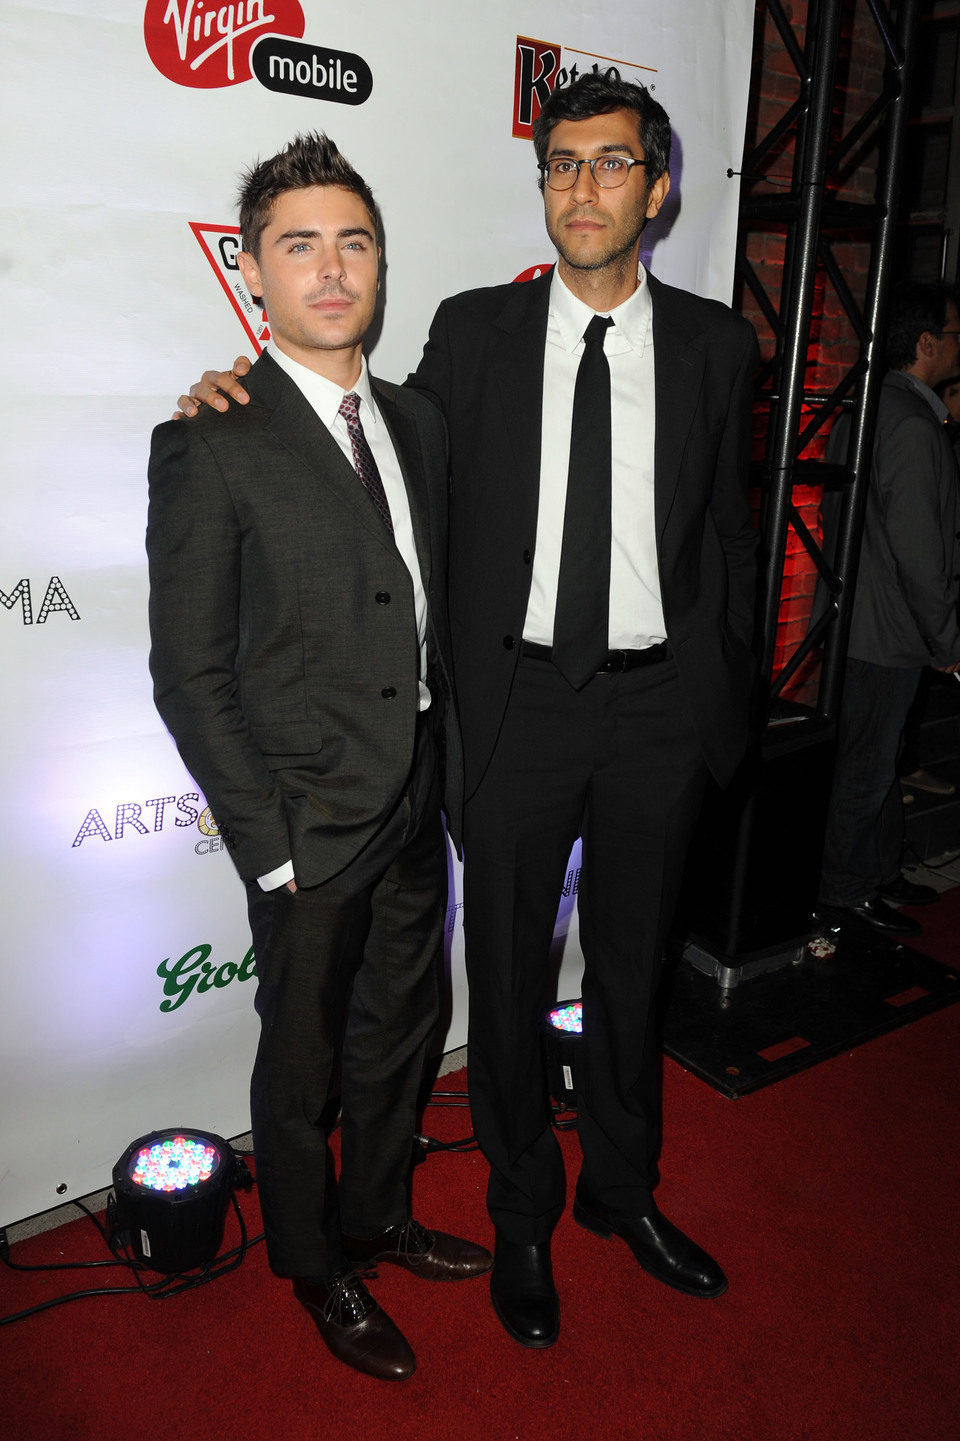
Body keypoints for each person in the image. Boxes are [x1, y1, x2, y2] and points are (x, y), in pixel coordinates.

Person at [177, 74, 760, 1348]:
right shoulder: (472, 336)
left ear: (658, 188)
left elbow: (732, 533)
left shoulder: (720, 346)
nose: (583, 187)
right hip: (511, 720)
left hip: (661, 711)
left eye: (612, 163)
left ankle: (621, 1192)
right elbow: (343, 425)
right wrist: (239, 382)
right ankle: (523, 1223)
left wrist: (724, 691)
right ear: (541, 183)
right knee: (498, 985)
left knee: (629, 974)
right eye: (560, 163)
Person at [147, 133, 490, 1385]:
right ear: (253, 271)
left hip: (415, 802)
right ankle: (314, 1263)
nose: (332, 268)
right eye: (300, 244)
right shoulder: (211, 437)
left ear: (381, 262)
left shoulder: (417, 421)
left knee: (402, 1029)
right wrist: (270, 848)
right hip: (306, 825)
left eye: (354, 241)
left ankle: (377, 1213)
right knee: (296, 1070)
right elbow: (189, 672)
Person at [816, 282, 960, 938]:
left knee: (872, 761)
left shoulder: (869, 408)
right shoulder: (908, 421)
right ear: (926, 344)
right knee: (867, 767)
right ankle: (846, 891)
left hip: (856, 622)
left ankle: (876, 872)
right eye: (953, 333)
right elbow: (921, 550)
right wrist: (948, 637)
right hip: (885, 629)